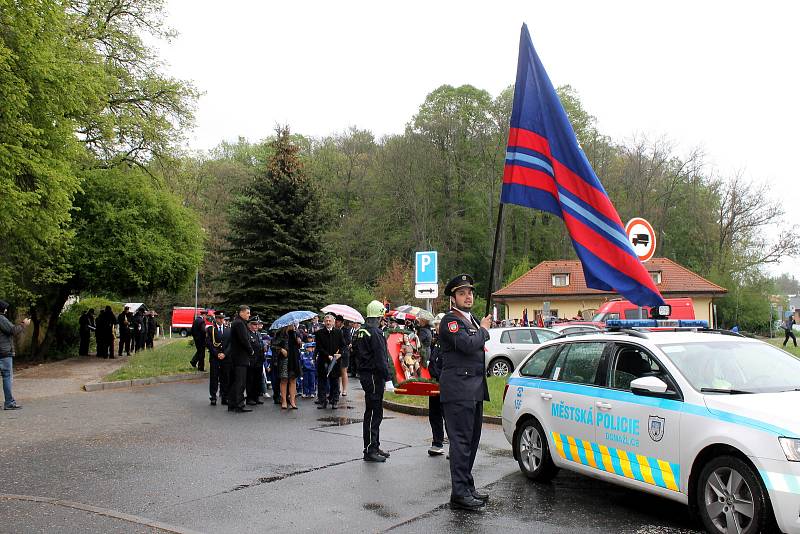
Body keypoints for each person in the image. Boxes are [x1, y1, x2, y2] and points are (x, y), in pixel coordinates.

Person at [438, 274, 492, 511]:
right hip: (459, 390)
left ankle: (466, 487)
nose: (468, 296)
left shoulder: (472, 320)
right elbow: (468, 345)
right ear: (453, 298)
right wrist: (484, 330)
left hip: (474, 390)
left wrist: (480, 328)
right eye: (462, 293)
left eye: (470, 292)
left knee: (471, 441)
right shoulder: (451, 321)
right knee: (460, 443)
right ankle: (459, 494)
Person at [353, 300, 392, 462]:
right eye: (383, 316)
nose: (384, 319)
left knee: (375, 412)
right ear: (379, 315)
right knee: (374, 413)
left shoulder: (361, 331)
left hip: (366, 374)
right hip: (374, 376)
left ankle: (374, 445)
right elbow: (381, 358)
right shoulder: (375, 333)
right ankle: (370, 449)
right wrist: (388, 378)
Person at [0, 300, 30, 410]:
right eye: (5, 308)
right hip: (3, 353)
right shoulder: (1, 318)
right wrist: (23, 325)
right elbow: (12, 330)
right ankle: (9, 402)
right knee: (7, 377)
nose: (6, 310)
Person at [228, 306, 255, 413]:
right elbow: (244, 339)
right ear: (241, 313)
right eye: (247, 313)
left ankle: (232, 404)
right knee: (240, 382)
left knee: (235, 382)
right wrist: (250, 350)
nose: (249, 315)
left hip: (236, 357)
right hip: (240, 357)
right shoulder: (239, 323)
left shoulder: (237, 322)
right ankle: (239, 405)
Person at [315, 313, 345, 409]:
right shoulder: (319, 333)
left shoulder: (338, 332)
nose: (328, 322)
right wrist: (327, 355)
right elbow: (319, 347)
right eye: (326, 321)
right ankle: (322, 401)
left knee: (335, 381)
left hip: (335, 361)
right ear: (324, 322)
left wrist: (339, 353)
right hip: (323, 360)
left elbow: (343, 346)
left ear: (333, 322)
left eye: (330, 321)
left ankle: (334, 400)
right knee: (322, 381)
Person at [271, 322, 302, 409]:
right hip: (284, 360)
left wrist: (299, 342)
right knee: (284, 380)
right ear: (288, 324)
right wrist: (281, 349)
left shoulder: (296, 333)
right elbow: (273, 346)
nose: (294, 325)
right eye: (292, 324)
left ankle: (292, 401)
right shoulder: (280, 333)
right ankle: (284, 400)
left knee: (293, 380)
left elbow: (298, 346)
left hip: (294, 359)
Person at [206, 312, 229, 406]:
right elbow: (208, 343)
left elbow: (230, 344)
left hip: (225, 358)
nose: (221, 320)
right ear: (216, 319)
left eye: (222, 318)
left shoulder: (228, 330)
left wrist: (225, 353)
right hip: (215, 358)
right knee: (214, 378)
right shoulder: (210, 329)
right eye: (219, 318)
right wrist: (217, 354)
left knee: (225, 378)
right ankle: (213, 397)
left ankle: (224, 397)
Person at [245, 316, 266, 406]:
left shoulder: (258, 334)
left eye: (257, 324)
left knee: (258, 380)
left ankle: (256, 397)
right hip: (251, 360)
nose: (256, 326)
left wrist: (264, 348)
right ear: (249, 325)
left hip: (259, 360)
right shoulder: (247, 334)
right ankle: (250, 398)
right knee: (250, 380)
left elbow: (260, 345)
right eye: (254, 324)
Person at [336, 315, 352, 396]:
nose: (336, 323)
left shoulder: (346, 330)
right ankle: (337, 389)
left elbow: (348, 341)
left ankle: (344, 389)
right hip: (336, 353)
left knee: (343, 371)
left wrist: (340, 339)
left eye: (337, 322)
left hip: (344, 353)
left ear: (341, 322)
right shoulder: (335, 329)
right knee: (336, 372)